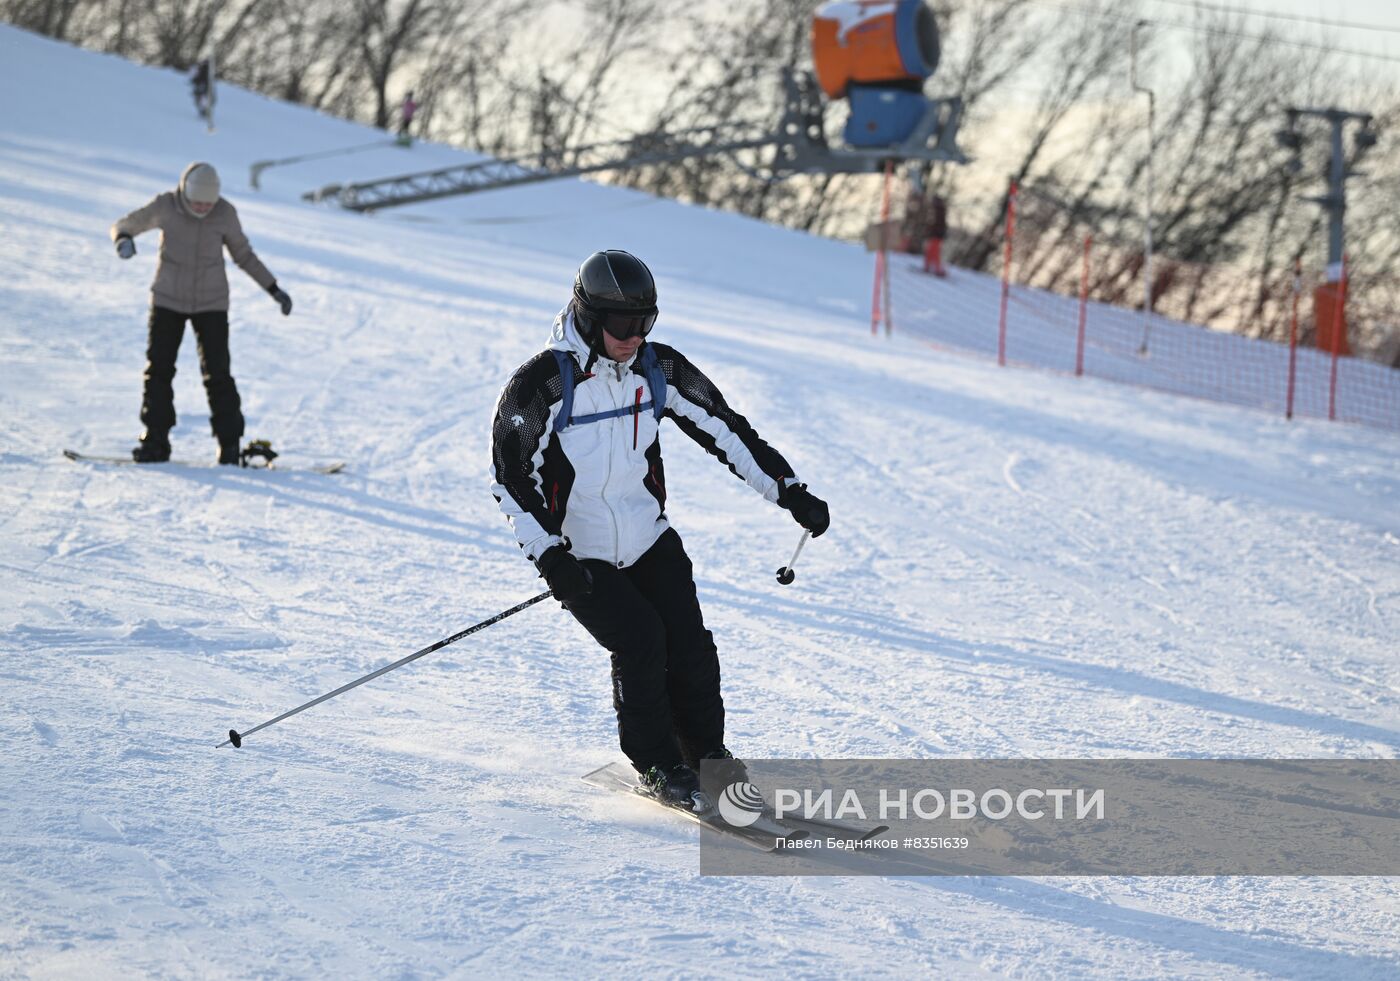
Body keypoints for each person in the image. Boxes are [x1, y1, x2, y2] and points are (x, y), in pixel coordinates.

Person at [489, 250, 830, 810]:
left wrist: (789, 491)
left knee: (690, 646)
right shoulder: (542, 384)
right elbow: (510, 478)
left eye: (646, 322)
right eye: (623, 325)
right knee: (642, 642)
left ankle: (708, 757)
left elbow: (727, 428)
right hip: (583, 553)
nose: (635, 336)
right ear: (589, 317)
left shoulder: (659, 370)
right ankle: (659, 763)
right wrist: (550, 556)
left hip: (649, 536)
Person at [110, 162, 293, 464]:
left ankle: (229, 444)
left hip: (212, 303)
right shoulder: (166, 206)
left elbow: (244, 255)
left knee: (218, 374)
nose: (203, 208)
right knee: (159, 370)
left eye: (208, 203)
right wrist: (123, 239)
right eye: (197, 202)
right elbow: (126, 224)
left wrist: (274, 289)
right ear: (184, 193)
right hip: (168, 300)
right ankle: (155, 440)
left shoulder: (225, 213)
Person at [922, 193, 948, 277]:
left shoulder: (938, 211)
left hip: (936, 235)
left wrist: (930, 232)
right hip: (936, 235)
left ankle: (937, 269)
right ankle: (928, 266)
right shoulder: (938, 211)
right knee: (930, 251)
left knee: (934, 252)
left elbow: (936, 225)